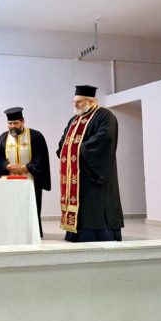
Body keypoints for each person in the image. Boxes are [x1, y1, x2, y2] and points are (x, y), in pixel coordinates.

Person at [56, 85, 124, 242]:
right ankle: (75, 233)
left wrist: (78, 150)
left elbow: (104, 139)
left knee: (96, 205)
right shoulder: (74, 120)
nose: (75, 105)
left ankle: (100, 235)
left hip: (94, 172)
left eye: (79, 102)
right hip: (76, 174)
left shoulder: (105, 116)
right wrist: (65, 149)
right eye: (74, 101)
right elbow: (64, 142)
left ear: (91, 101)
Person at [0, 107, 51, 238]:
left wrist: (27, 168)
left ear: (22, 121)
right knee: (10, 206)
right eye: (10, 123)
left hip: (30, 178)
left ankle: (33, 233)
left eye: (15, 123)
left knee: (31, 206)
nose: (12, 126)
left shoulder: (35, 136)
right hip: (10, 178)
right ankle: (11, 232)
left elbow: (40, 156)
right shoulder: (3, 137)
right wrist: (7, 166)